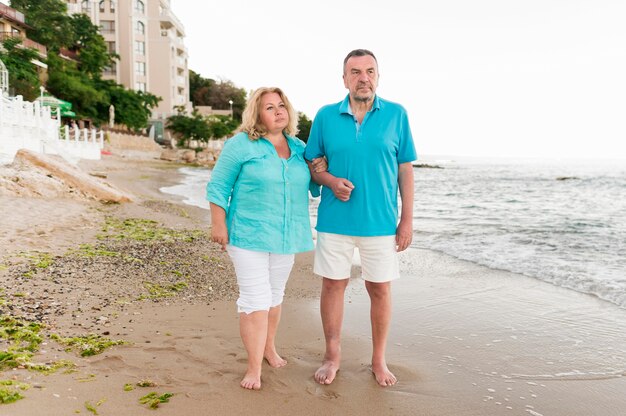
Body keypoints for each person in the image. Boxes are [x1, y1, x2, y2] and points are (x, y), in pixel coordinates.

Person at [304, 49, 417, 387]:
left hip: (380, 223)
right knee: (332, 286)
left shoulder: (397, 115)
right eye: (355, 72)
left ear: (378, 77)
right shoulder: (325, 116)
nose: (363, 77)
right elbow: (313, 161)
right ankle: (332, 356)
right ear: (344, 79)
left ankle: (378, 360)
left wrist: (407, 220)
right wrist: (330, 181)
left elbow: (405, 170)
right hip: (334, 221)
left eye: (369, 71)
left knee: (379, 289)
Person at [206, 87, 325, 390]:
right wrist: (218, 224)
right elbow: (219, 186)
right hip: (248, 235)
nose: (278, 111)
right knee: (255, 300)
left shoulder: (299, 147)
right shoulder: (240, 145)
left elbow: (312, 187)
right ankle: (253, 367)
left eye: (282, 105)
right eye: (269, 107)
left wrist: (319, 170)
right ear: (257, 114)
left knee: (274, 297)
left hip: (286, 236)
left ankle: (269, 348)